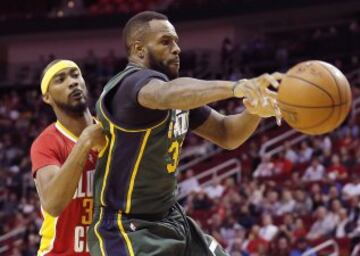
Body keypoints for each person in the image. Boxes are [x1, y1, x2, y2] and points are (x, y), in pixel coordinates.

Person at [88, 11, 282, 256]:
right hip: (127, 227)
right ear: (139, 49)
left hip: (172, 218)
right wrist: (237, 87)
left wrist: (254, 110)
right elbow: (164, 94)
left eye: (177, 41)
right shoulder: (129, 85)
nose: (177, 48)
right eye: (166, 41)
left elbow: (227, 134)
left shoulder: (180, 96)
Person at [30, 59, 106, 255]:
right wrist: (85, 142)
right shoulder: (47, 142)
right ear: (47, 97)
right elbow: (53, 204)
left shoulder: (112, 134)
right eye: (60, 79)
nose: (72, 82)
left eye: (75, 74)